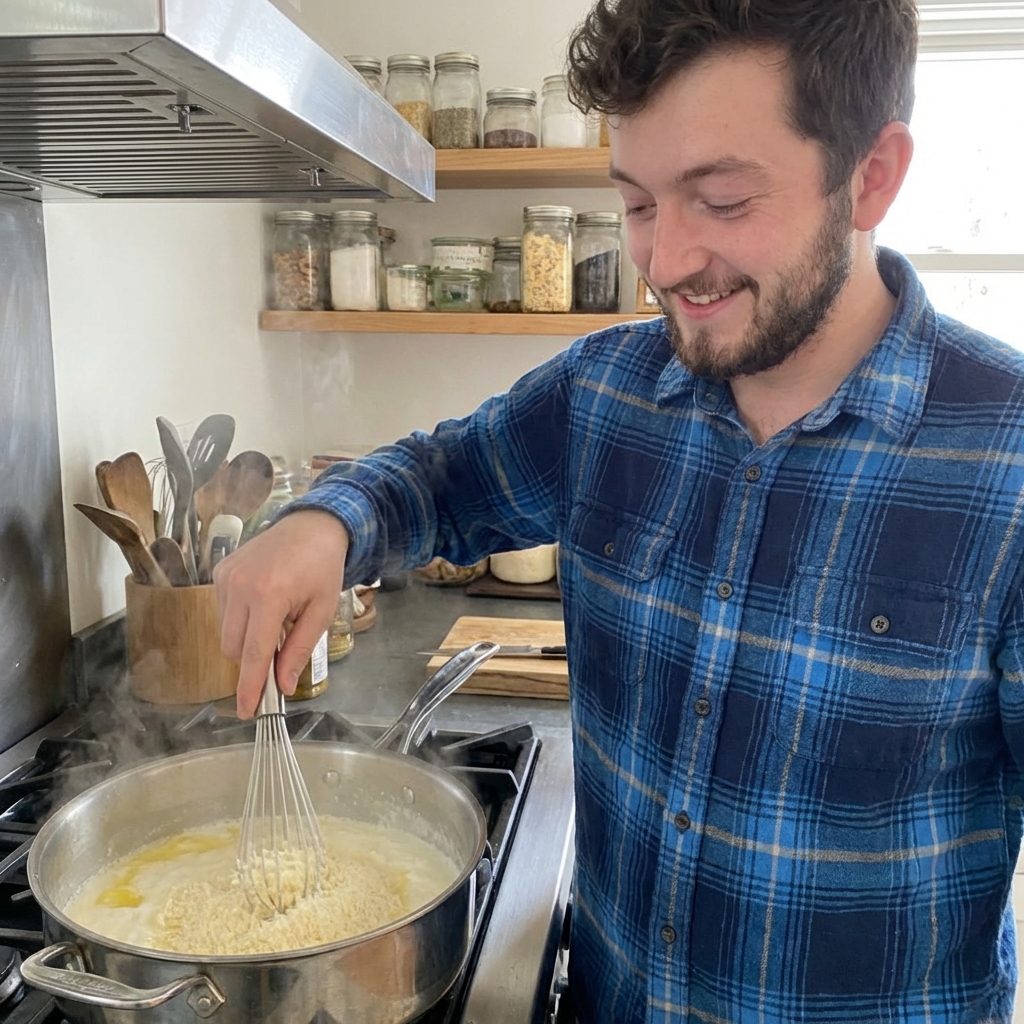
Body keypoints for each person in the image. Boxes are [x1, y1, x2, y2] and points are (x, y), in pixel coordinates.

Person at [214, 0, 1024, 1020]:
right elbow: (433, 478)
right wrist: (319, 523)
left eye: (721, 200)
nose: (665, 261)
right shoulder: (603, 396)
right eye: (638, 203)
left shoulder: (1005, 458)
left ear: (870, 176)